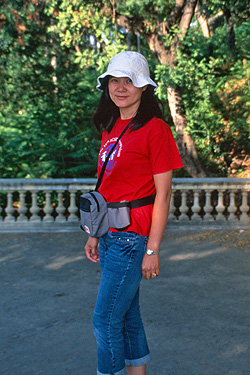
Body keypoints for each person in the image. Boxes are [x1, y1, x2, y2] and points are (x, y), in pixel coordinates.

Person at [84, 51, 183, 375]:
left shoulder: (156, 130)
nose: (120, 87)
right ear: (107, 85)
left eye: (129, 81)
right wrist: (95, 234)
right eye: (115, 80)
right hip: (110, 235)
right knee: (126, 315)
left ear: (143, 87)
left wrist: (153, 249)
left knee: (105, 318)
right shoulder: (111, 127)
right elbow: (107, 187)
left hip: (133, 237)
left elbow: (164, 194)